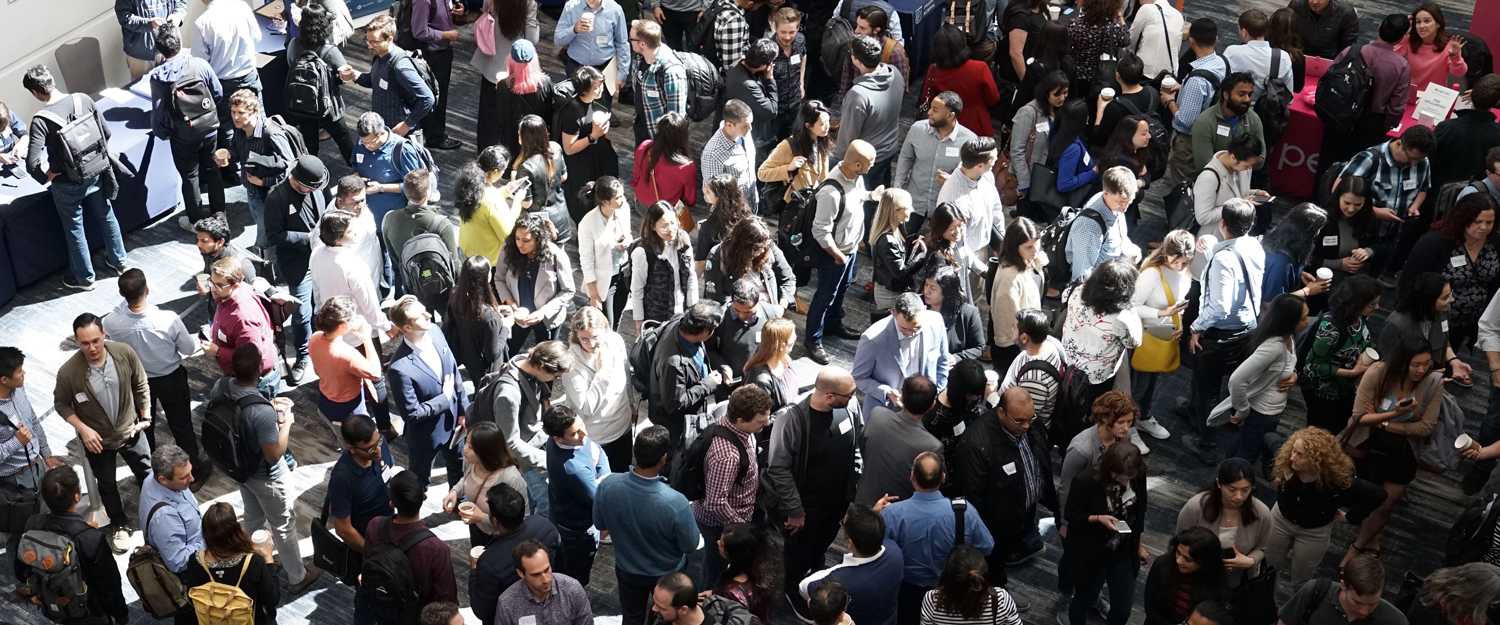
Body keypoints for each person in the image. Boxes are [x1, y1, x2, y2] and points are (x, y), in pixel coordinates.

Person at [767, 367, 865, 617]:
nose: (854, 397)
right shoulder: (792, 419)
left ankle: (815, 573)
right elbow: (779, 468)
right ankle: (793, 590)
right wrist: (795, 509)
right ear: (829, 397)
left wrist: (854, 483)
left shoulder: (849, 407)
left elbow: (856, 444)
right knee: (798, 553)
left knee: (820, 547)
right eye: (849, 394)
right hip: (805, 507)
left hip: (837, 503)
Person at [21, 65, 128, 291]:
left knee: (74, 229)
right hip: (97, 172)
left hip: (66, 184)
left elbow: (32, 164)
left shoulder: (41, 121)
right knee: (107, 216)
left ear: (35, 92)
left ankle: (85, 278)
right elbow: (106, 133)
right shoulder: (82, 99)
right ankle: (119, 262)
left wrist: (47, 176)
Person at [54, 313, 151, 553]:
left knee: (147, 473)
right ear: (76, 341)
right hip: (98, 442)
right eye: (85, 343)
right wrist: (83, 429)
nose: (92, 348)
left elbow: (140, 383)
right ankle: (120, 524)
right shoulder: (69, 372)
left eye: (96, 340)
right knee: (106, 485)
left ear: (104, 334)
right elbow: (62, 404)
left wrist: (146, 417)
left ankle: (158, 511)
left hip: (131, 430)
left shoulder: (124, 353)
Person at [1345, 336, 1443, 561]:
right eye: (1415, 365)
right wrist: (1395, 415)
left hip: (1403, 450)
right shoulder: (1378, 373)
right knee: (1366, 496)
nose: (1421, 370)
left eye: (1426, 364)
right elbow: (1358, 418)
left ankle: (1358, 545)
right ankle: (1368, 536)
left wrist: (1384, 422)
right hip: (1369, 445)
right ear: (1402, 361)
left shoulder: (1432, 382)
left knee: (1385, 504)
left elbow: (1426, 427)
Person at [595, 426, 702, 625]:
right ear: (664, 458)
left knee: (632, 618)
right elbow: (690, 545)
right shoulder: (676, 502)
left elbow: (599, 523)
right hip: (667, 574)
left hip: (627, 570)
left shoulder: (607, 486)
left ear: (635, 452)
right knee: (667, 617)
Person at [1185, 199, 1265, 464]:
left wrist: (1197, 327)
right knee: (1229, 383)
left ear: (1221, 223)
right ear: (1251, 224)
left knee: (1208, 387)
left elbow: (1220, 306)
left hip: (1219, 333)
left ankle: (1206, 444)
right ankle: (1194, 411)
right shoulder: (1255, 246)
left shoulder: (1223, 259)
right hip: (1248, 330)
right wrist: (1212, 253)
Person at [101, 271, 200, 483]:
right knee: (182, 426)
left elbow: (115, 313)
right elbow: (189, 348)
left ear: (121, 294)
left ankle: (152, 476)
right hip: (171, 378)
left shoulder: (112, 322)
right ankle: (194, 472)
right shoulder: (168, 319)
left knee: (145, 432)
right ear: (146, 291)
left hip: (137, 384)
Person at [956, 387, 1053, 601]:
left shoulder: (1026, 424)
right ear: (1001, 413)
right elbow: (972, 500)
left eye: (1031, 418)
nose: (1027, 426)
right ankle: (995, 599)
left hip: (1021, 512)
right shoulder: (976, 445)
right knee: (992, 566)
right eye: (1020, 421)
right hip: (995, 527)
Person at [1265, 428, 1387, 590]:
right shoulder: (1287, 462)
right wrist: (1272, 475)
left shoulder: (1337, 482)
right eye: (1293, 450)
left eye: (1300, 455)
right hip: (1280, 520)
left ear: (1317, 461)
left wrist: (1351, 517)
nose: (1292, 457)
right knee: (1267, 571)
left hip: (1313, 533)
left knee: (1301, 582)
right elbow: (1268, 436)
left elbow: (1378, 494)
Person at [883, 452, 995, 625]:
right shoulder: (964, 511)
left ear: (912, 476)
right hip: (951, 591)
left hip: (905, 590)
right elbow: (987, 547)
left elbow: (878, 554)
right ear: (943, 478)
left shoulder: (891, 514)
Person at [7, 468, 128, 623]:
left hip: (51, 605)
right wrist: (123, 618)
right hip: (89, 612)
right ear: (77, 496)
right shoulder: (92, 539)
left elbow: (20, 572)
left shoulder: (32, 523)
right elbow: (110, 588)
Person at [806, 140, 879, 365]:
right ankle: (813, 339)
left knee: (842, 289)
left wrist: (870, 196)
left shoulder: (856, 177)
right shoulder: (830, 192)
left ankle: (833, 324)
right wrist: (838, 255)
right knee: (824, 296)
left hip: (850, 250)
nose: (873, 166)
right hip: (835, 255)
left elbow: (856, 196)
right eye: (870, 163)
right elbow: (820, 231)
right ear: (857, 164)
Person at [1332, 125, 1435, 285]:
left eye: (1419, 160)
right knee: (1345, 281)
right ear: (1399, 144)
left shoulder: (1422, 162)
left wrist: (1414, 206)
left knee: (1369, 283)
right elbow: (1338, 191)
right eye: (1411, 158)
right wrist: (1374, 212)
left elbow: (1423, 189)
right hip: (1359, 234)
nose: (1414, 164)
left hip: (1391, 236)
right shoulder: (1370, 159)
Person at [148, 24, 225, 231]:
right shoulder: (199, 64)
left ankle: (196, 221)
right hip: (209, 128)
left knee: (190, 176)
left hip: (182, 136)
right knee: (212, 168)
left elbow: (158, 110)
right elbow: (217, 92)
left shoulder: (158, 76)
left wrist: (162, 133)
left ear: (159, 50)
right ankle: (220, 214)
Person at [1062, 441, 1149, 625]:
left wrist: (1138, 546)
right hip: (1092, 553)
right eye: (1121, 477)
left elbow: (1140, 513)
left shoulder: (1137, 473)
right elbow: (1072, 515)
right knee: (1082, 603)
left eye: (1130, 476)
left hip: (1124, 550)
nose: (1126, 481)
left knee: (1123, 610)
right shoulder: (1086, 481)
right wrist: (1098, 518)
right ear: (1109, 467)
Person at [694, 385, 772, 585]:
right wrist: (742, 527)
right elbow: (715, 503)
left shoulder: (733, 425)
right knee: (716, 573)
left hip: (732, 519)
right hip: (720, 526)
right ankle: (708, 607)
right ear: (740, 421)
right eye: (760, 421)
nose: (767, 422)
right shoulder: (727, 456)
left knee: (714, 564)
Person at [1401, 193, 1500, 351]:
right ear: (1463, 219)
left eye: (1490, 222)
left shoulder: (1494, 243)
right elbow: (1409, 281)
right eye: (1477, 222)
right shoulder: (1435, 242)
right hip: (1428, 321)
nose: (1484, 227)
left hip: (1464, 325)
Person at [359, 470, 458, 624]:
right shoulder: (436, 548)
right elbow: (447, 600)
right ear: (424, 497)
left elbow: (367, 561)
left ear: (392, 503)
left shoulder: (375, 525)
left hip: (381, 605)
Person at [387, 296, 466, 488]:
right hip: (426, 437)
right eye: (420, 315)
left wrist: (463, 411)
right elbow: (412, 414)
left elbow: (453, 371)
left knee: (459, 468)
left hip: (456, 424)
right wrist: (445, 399)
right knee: (419, 482)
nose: (428, 315)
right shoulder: (399, 368)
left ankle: (458, 500)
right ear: (407, 328)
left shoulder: (436, 331)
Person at [264, 155, 330, 383]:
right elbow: (274, 235)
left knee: (326, 303)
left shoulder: (316, 188)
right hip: (298, 263)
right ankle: (303, 355)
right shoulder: (277, 197)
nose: (313, 191)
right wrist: (308, 238)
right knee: (301, 313)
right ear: (295, 178)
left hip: (324, 256)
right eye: (308, 187)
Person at [1321, 16, 1414, 176]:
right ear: (1401, 38)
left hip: (1338, 118)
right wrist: (1384, 127)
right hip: (1370, 128)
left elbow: (1329, 78)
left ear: (1378, 28)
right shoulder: (1401, 66)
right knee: (1358, 177)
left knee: (1327, 167)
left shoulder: (1351, 51)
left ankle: (1319, 199)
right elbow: (1396, 107)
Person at [492, 340, 575, 517]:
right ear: (542, 366)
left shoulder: (523, 361)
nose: (555, 380)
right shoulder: (508, 394)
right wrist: (546, 460)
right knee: (545, 506)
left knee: (532, 503)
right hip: (528, 459)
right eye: (555, 376)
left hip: (538, 443)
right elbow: (510, 442)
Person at [1060, 258, 1143, 427]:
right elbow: (1133, 342)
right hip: (1096, 376)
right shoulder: (1123, 316)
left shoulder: (1077, 290)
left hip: (1067, 361)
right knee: (1091, 412)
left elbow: (1063, 299)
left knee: (1065, 405)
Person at [1224, 294, 1307, 459]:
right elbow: (1236, 380)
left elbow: (1287, 364)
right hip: (1262, 413)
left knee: (1240, 447)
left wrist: (1294, 375)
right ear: (1289, 320)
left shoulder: (1289, 337)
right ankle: (1228, 483)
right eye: (1303, 319)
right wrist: (1242, 410)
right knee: (1246, 458)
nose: (1307, 321)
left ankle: (1223, 478)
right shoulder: (1274, 347)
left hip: (1267, 411)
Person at [222, 91, 298, 264]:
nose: (236, 117)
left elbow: (289, 166)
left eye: (241, 113)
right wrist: (228, 156)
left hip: (270, 195)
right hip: (252, 191)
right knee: (265, 231)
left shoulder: (272, 134)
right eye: (233, 112)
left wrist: (264, 182)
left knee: (264, 238)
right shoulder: (239, 130)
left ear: (254, 112)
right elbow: (237, 151)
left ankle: (263, 269)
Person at [1298, 277, 1382, 434]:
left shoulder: (1361, 318)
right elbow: (1314, 366)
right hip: (1324, 393)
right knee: (1319, 434)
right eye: (1372, 304)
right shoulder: (1330, 330)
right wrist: (1353, 372)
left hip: (1344, 389)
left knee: (1338, 427)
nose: (1377, 307)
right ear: (1356, 303)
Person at [470, 483, 561, 625]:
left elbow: (482, 610)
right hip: (548, 605)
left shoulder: (489, 562)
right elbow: (561, 567)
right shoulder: (545, 526)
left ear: (494, 520)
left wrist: (475, 571)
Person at [797, 503, 904, 625]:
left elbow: (804, 588)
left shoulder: (841, 581)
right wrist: (870, 519)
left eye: (843, 524)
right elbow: (872, 535)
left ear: (849, 542)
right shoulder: (896, 552)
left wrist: (835, 570)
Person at [1130, 231, 1192, 435]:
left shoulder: (1182, 271)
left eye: (1185, 263)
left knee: (1151, 381)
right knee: (1138, 385)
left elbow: (1178, 301)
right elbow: (1132, 307)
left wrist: (1179, 320)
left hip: (1162, 333)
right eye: (1177, 262)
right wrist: (1163, 312)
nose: (1180, 267)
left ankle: (1143, 416)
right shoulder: (1152, 274)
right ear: (1166, 253)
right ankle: (1129, 426)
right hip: (1143, 336)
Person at [1176, 459, 1273, 587]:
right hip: (1195, 580)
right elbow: (1179, 541)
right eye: (1232, 489)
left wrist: (1251, 561)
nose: (1239, 496)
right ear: (1219, 484)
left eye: (1245, 490)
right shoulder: (1196, 507)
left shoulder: (1261, 514)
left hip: (1237, 584)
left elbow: (1262, 547)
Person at [560, 307, 635, 473]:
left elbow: (625, 373)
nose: (591, 344)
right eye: (584, 339)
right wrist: (602, 373)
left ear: (605, 329)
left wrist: (630, 402)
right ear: (576, 337)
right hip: (597, 438)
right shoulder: (571, 365)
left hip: (622, 428)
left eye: (595, 337)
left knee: (622, 474)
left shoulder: (615, 341)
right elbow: (587, 407)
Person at [340, 15, 435, 145]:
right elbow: (375, 82)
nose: (370, 46)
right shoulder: (379, 56)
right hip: (383, 130)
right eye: (367, 41)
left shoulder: (401, 67)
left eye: (375, 42)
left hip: (400, 137)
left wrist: (407, 124)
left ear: (389, 39)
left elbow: (427, 98)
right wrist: (356, 76)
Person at [542, 405, 610, 586]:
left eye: (581, 426)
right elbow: (600, 498)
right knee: (574, 576)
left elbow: (598, 451)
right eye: (574, 433)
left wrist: (601, 476)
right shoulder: (573, 469)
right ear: (557, 437)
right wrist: (603, 478)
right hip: (578, 531)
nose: (583, 434)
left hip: (563, 517)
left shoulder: (564, 440)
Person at [311, 210, 395, 355]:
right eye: (350, 230)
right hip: (356, 334)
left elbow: (317, 290)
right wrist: (387, 326)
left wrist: (320, 314)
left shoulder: (316, 254)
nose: (356, 232)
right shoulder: (354, 266)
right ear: (338, 238)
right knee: (371, 373)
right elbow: (369, 304)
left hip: (332, 330)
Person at [853, 292, 951, 415]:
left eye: (917, 328)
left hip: (925, 411)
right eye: (904, 329)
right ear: (893, 314)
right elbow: (859, 378)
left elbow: (942, 363)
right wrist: (886, 392)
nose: (911, 334)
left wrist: (936, 395)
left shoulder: (936, 322)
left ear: (924, 311)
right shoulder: (873, 339)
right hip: (886, 413)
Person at [182, 502, 280, 624]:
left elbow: (192, 598)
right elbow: (272, 600)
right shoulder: (253, 562)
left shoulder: (195, 561)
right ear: (235, 530)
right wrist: (268, 558)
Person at [493, 213, 575, 354]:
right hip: (517, 315)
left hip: (547, 320)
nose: (520, 244)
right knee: (507, 353)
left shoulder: (556, 255)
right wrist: (511, 304)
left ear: (538, 239)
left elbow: (568, 290)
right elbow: (499, 278)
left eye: (526, 240)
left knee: (545, 358)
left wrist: (544, 312)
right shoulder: (509, 249)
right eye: (517, 239)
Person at [896, 92, 977, 234]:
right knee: (902, 240)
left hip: (946, 206)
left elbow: (973, 178)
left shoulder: (968, 140)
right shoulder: (917, 129)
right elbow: (905, 158)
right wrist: (898, 189)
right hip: (915, 200)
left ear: (950, 115)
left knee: (938, 249)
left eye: (935, 110)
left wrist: (952, 180)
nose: (929, 112)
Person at [284, 5, 354, 163]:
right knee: (343, 139)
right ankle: (357, 170)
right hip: (328, 106)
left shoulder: (294, 44)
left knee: (309, 142)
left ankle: (311, 176)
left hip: (301, 104)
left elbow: (290, 64)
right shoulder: (329, 51)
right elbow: (345, 77)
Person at [857, 377, 942, 507]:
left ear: (901, 397)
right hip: (898, 514)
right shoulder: (933, 446)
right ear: (932, 405)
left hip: (862, 503)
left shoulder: (876, 415)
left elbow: (863, 447)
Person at [649, 301, 724, 448]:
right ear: (705, 331)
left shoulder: (680, 322)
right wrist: (708, 383)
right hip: (676, 430)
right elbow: (675, 403)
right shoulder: (673, 363)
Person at [1191, 133, 1265, 278]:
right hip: (1212, 242)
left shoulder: (1243, 168)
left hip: (1234, 240)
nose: (1250, 168)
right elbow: (1203, 216)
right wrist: (1239, 204)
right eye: (1247, 165)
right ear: (1233, 158)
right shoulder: (1208, 178)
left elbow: (1239, 192)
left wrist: (1255, 193)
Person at [204, 258, 281, 397]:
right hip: (241, 376)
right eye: (212, 282)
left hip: (255, 383)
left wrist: (218, 351)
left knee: (253, 418)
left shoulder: (244, 318)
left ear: (235, 286)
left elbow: (250, 359)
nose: (213, 288)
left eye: (219, 285)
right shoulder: (234, 292)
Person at [443, 420, 527, 545]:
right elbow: (466, 478)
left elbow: (522, 518)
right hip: (477, 527)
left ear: (486, 452)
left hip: (501, 538)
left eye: (471, 447)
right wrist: (455, 491)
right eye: (466, 442)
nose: (464, 449)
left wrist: (483, 518)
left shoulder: (510, 478)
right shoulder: (469, 462)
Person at [0, 347, 63, 513]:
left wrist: (46, 454)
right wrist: (15, 443)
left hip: (37, 466)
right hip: (14, 481)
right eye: (20, 371)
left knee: (49, 513)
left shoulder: (19, 389)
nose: (24, 373)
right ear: (4, 379)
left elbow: (33, 422)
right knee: (23, 524)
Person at [1165, 19, 1229, 185]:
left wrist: (1169, 101)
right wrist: (1183, 88)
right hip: (1212, 135)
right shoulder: (1221, 62)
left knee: (1182, 190)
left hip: (1188, 145)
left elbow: (1185, 123)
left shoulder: (1197, 80)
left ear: (1191, 41)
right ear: (1216, 39)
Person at [835, 36, 903, 187]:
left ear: (857, 61)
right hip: (890, 149)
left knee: (864, 200)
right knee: (880, 194)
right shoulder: (895, 74)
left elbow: (847, 136)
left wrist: (840, 163)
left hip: (866, 159)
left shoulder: (857, 95)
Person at [473, 0, 540, 151]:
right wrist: (537, 24)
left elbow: (485, 10)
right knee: (510, 115)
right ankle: (505, 153)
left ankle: (484, 152)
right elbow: (531, 39)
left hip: (491, 63)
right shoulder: (529, 4)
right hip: (513, 68)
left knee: (487, 114)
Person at [1058, 390, 1140, 514]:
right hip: (1085, 506)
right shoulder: (1080, 449)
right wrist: (1065, 521)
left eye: (1129, 421)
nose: (1126, 427)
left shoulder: (1124, 436)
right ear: (1103, 417)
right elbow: (1066, 486)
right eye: (1120, 422)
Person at [558, 68, 621, 226]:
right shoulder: (572, 114)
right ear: (584, 89)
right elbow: (569, 148)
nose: (600, 90)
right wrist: (593, 136)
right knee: (583, 203)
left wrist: (603, 133)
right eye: (596, 87)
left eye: (601, 85)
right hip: (581, 166)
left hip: (598, 158)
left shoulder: (598, 102)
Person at [326, 415, 396, 555]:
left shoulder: (379, 446)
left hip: (389, 528)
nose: (378, 451)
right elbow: (343, 529)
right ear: (351, 448)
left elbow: (390, 467)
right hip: (366, 542)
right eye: (370, 448)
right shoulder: (342, 479)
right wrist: (371, 553)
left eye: (378, 442)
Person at [701, 219, 797, 317]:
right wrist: (752, 300)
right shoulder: (718, 255)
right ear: (742, 247)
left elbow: (789, 279)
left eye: (764, 246)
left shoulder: (769, 248)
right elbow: (714, 297)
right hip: (734, 316)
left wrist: (782, 305)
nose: (761, 250)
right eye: (756, 248)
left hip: (767, 315)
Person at [1379, 273, 1464, 379]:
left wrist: (1453, 360)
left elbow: (1442, 337)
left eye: (1450, 294)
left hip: (1432, 374)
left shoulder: (1443, 310)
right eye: (1445, 298)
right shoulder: (1396, 323)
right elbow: (1387, 362)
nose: (1451, 300)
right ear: (1428, 301)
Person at [936, 137, 1004, 269]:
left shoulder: (986, 175)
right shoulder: (954, 200)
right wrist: (982, 271)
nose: (996, 162)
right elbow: (956, 244)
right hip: (962, 260)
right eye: (993, 160)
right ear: (979, 165)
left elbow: (996, 210)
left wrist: (1001, 243)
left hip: (982, 249)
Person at [759, 99, 832, 222]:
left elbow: (823, 176)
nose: (827, 127)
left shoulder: (821, 141)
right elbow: (762, 173)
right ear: (808, 125)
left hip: (813, 203)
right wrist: (787, 168)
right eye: (822, 124)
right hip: (793, 207)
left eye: (828, 121)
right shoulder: (788, 146)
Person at [138, 445, 203, 581]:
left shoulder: (153, 478)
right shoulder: (164, 517)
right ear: (163, 480)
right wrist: (212, 540)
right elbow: (177, 562)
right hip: (193, 573)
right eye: (184, 477)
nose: (192, 479)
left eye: (190, 471)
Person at [1277, 555, 1404, 625]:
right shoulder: (1315, 590)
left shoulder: (1395, 621)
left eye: (1372, 604)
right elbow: (1285, 621)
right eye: (1357, 602)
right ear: (1343, 585)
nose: (1364, 611)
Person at [353, 112, 428, 230]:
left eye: (371, 143)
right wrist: (357, 178)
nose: (366, 146)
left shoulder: (402, 150)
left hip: (393, 221)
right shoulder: (361, 143)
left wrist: (381, 187)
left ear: (382, 133)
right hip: (365, 218)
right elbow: (355, 167)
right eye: (363, 142)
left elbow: (414, 187)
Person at [1011, 72, 1070, 221]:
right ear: (1045, 93)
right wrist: (1024, 183)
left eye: (1065, 93)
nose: (1062, 98)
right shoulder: (1028, 112)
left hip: (1046, 179)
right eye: (1057, 94)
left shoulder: (1058, 110)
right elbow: (1017, 150)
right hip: (1030, 179)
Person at [1142, 528, 1232, 625]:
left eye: (1188, 559)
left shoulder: (1217, 586)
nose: (1179, 561)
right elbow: (1151, 609)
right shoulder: (1162, 565)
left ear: (1205, 562)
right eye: (1178, 552)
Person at [1066, 168, 1142, 282]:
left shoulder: (1112, 204)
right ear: (1106, 193)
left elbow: (1119, 238)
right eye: (1121, 202)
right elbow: (1082, 276)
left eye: (1129, 201)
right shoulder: (1089, 226)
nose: (1125, 207)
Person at [921, 28, 999, 138]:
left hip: (946, 125)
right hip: (977, 125)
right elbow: (993, 98)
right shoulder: (980, 68)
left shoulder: (933, 70)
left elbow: (926, 99)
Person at [989, 219, 1045, 371]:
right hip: (1014, 349)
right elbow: (1006, 331)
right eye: (1029, 247)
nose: (1035, 250)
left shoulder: (1027, 260)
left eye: (1036, 244)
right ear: (1015, 248)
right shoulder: (1009, 278)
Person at [631, 201, 699, 329]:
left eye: (673, 223)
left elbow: (690, 276)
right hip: (655, 317)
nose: (671, 230)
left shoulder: (683, 238)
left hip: (680, 312)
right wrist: (639, 323)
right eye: (664, 226)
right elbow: (637, 289)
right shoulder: (643, 252)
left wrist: (692, 309)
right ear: (653, 226)